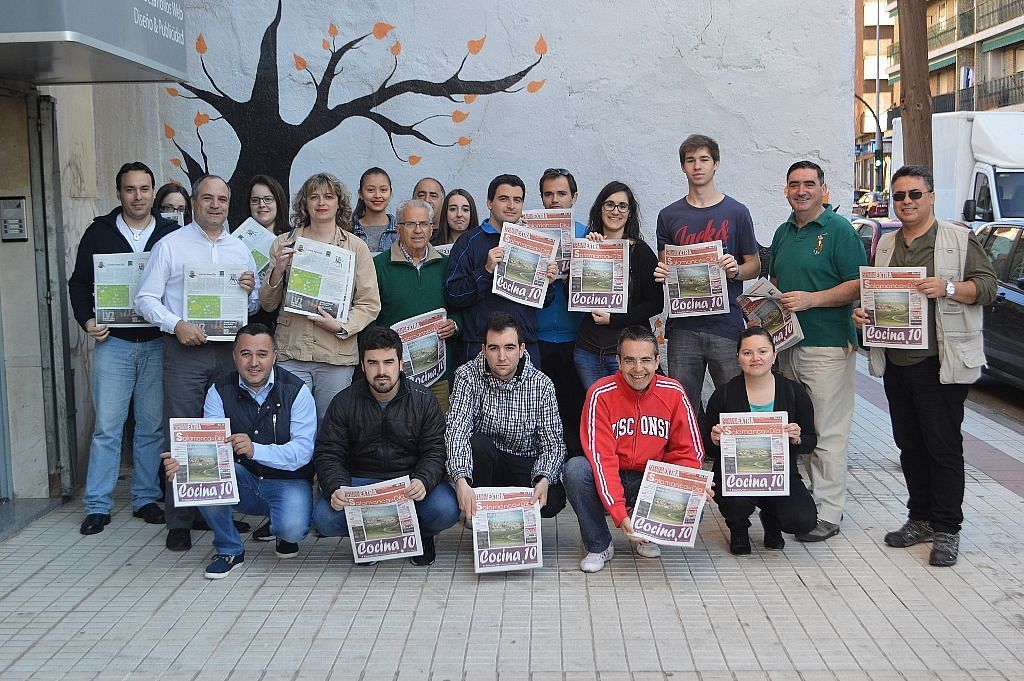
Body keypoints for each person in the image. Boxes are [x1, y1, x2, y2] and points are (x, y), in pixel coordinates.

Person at [854, 164, 996, 567]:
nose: (907, 202)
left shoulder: (958, 239)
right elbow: (878, 297)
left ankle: (948, 529)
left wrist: (948, 288)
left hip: (941, 364)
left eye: (915, 194)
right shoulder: (885, 245)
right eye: (899, 196)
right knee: (909, 446)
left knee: (943, 448)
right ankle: (920, 519)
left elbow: (987, 288)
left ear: (931, 197)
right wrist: (865, 315)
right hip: (897, 361)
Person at [135, 174, 261, 551]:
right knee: (183, 432)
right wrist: (177, 324)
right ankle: (179, 519)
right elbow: (145, 299)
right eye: (208, 198)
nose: (215, 205)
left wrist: (250, 292)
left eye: (222, 199)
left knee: (222, 432)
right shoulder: (170, 245)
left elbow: (249, 309)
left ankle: (214, 513)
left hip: (227, 352)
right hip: (183, 350)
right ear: (194, 202)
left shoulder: (239, 249)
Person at [68, 161, 180, 535]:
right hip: (113, 344)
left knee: (150, 427)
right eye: (130, 189)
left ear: (153, 192)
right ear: (119, 193)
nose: (138, 196)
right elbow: (78, 283)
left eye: (145, 189)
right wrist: (86, 321)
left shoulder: (169, 233)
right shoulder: (99, 232)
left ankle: (145, 498)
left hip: (155, 343)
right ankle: (98, 504)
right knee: (107, 427)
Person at [159, 323, 316, 579]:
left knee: (292, 528)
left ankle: (280, 529)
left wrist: (256, 450)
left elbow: (303, 453)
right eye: (245, 354)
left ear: (275, 356)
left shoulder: (297, 391)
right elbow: (210, 449)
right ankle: (229, 548)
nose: (254, 362)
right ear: (234, 357)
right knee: (201, 474)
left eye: (262, 354)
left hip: (288, 481)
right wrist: (183, 464)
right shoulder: (218, 391)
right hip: (244, 478)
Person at [769, 160, 866, 542]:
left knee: (827, 431)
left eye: (809, 184)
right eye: (794, 184)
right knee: (798, 430)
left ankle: (828, 511)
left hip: (826, 346)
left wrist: (814, 300)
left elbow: (859, 283)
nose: (801, 190)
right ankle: (806, 499)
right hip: (786, 346)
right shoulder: (783, 232)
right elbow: (777, 281)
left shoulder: (839, 230)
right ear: (786, 190)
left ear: (823, 189)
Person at [313, 327, 459, 566]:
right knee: (324, 517)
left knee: (446, 508)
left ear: (401, 363)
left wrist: (423, 479)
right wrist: (336, 486)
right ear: (362, 365)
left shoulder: (423, 399)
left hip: (409, 482)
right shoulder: (344, 402)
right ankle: (370, 540)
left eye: (388, 362)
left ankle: (422, 536)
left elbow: (436, 449)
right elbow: (328, 452)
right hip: (362, 483)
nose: (381, 371)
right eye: (373, 363)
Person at [564, 325, 705, 573]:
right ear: (618, 361)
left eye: (645, 360)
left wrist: (690, 485)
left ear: (657, 361)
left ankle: (647, 534)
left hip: (649, 477)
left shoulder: (673, 392)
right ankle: (599, 545)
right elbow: (602, 459)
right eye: (629, 360)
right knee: (576, 470)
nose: (638, 369)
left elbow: (689, 452)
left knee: (696, 504)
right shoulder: (600, 393)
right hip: (613, 473)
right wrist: (619, 513)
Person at [654, 134, 760, 424]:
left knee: (735, 405)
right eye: (690, 161)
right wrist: (661, 272)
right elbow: (665, 262)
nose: (697, 166)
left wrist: (736, 269)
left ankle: (732, 467)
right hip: (683, 327)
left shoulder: (737, 212)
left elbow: (754, 264)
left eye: (703, 160)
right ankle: (688, 465)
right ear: (683, 167)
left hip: (725, 324)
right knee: (681, 410)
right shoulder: (668, 215)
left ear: (716, 164)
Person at [260, 172, 381, 422]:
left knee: (332, 426)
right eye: (313, 197)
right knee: (291, 425)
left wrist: (341, 326)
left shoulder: (355, 247)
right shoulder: (284, 243)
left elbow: (370, 303)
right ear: (304, 203)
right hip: (292, 351)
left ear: (339, 202)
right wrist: (278, 269)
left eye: (328, 196)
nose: (321, 202)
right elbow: (268, 303)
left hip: (335, 353)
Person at [705, 327, 818, 555]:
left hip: (780, 474)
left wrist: (796, 439)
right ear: (738, 357)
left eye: (762, 351)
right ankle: (738, 528)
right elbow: (706, 448)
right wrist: (714, 440)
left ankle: (772, 519)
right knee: (734, 502)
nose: (755, 358)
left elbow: (810, 441)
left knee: (802, 520)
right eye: (747, 353)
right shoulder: (724, 395)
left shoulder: (794, 392)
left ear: (774, 355)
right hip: (736, 476)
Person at [446, 313, 566, 522]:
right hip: (485, 464)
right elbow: (457, 430)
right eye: (494, 348)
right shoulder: (466, 376)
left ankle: (519, 516)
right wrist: (461, 480)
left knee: (554, 497)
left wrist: (544, 478)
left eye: (509, 347)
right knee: (477, 444)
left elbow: (553, 443)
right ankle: (479, 516)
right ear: (483, 350)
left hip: (523, 464)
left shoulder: (542, 384)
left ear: (521, 350)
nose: (502, 356)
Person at [443, 174, 558, 366]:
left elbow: (543, 301)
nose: (511, 205)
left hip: (524, 344)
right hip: (481, 344)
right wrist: (486, 271)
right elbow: (453, 293)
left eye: (517, 200)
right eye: (504, 199)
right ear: (489, 202)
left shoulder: (533, 242)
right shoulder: (469, 242)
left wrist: (548, 282)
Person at [372, 199, 461, 410]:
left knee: (438, 432)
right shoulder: (379, 266)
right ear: (398, 228)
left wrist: (455, 325)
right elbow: (368, 316)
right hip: (395, 373)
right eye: (410, 224)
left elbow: (459, 308)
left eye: (424, 224)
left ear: (432, 228)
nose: (418, 230)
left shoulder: (447, 264)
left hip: (438, 373)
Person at [575, 181, 664, 389]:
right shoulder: (586, 246)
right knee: (599, 411)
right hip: (588, 351)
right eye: (610, 205)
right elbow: (572, 295)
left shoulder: (641, 252)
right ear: (600, 209)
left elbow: (655, 304)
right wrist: (589, 253)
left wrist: (614, 319)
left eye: (622, 206)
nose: (616, 211)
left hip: (629, 355)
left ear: (630, 213)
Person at [535, 168, 588, 458]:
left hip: (576, 336)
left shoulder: (587, 234)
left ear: (574, 197)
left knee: (573, 409)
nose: (555, 200)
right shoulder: (525, 234)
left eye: (561, 193)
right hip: (537, 336)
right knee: (540, 411)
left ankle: (574, 471)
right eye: (548, 194)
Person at [244, 174, 289, 331]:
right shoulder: (235, 242)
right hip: (250, 322)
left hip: (283, 323)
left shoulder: (293, 237)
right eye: (255, 200)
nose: (261, 205)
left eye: (268, 199)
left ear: (279, 202)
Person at [352, 167, 397, 253]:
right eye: (370, 190)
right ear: (360, 194)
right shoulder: (349, 229)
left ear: (390, 193)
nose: (377, 195)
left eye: (383, 190)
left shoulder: (401, 230)